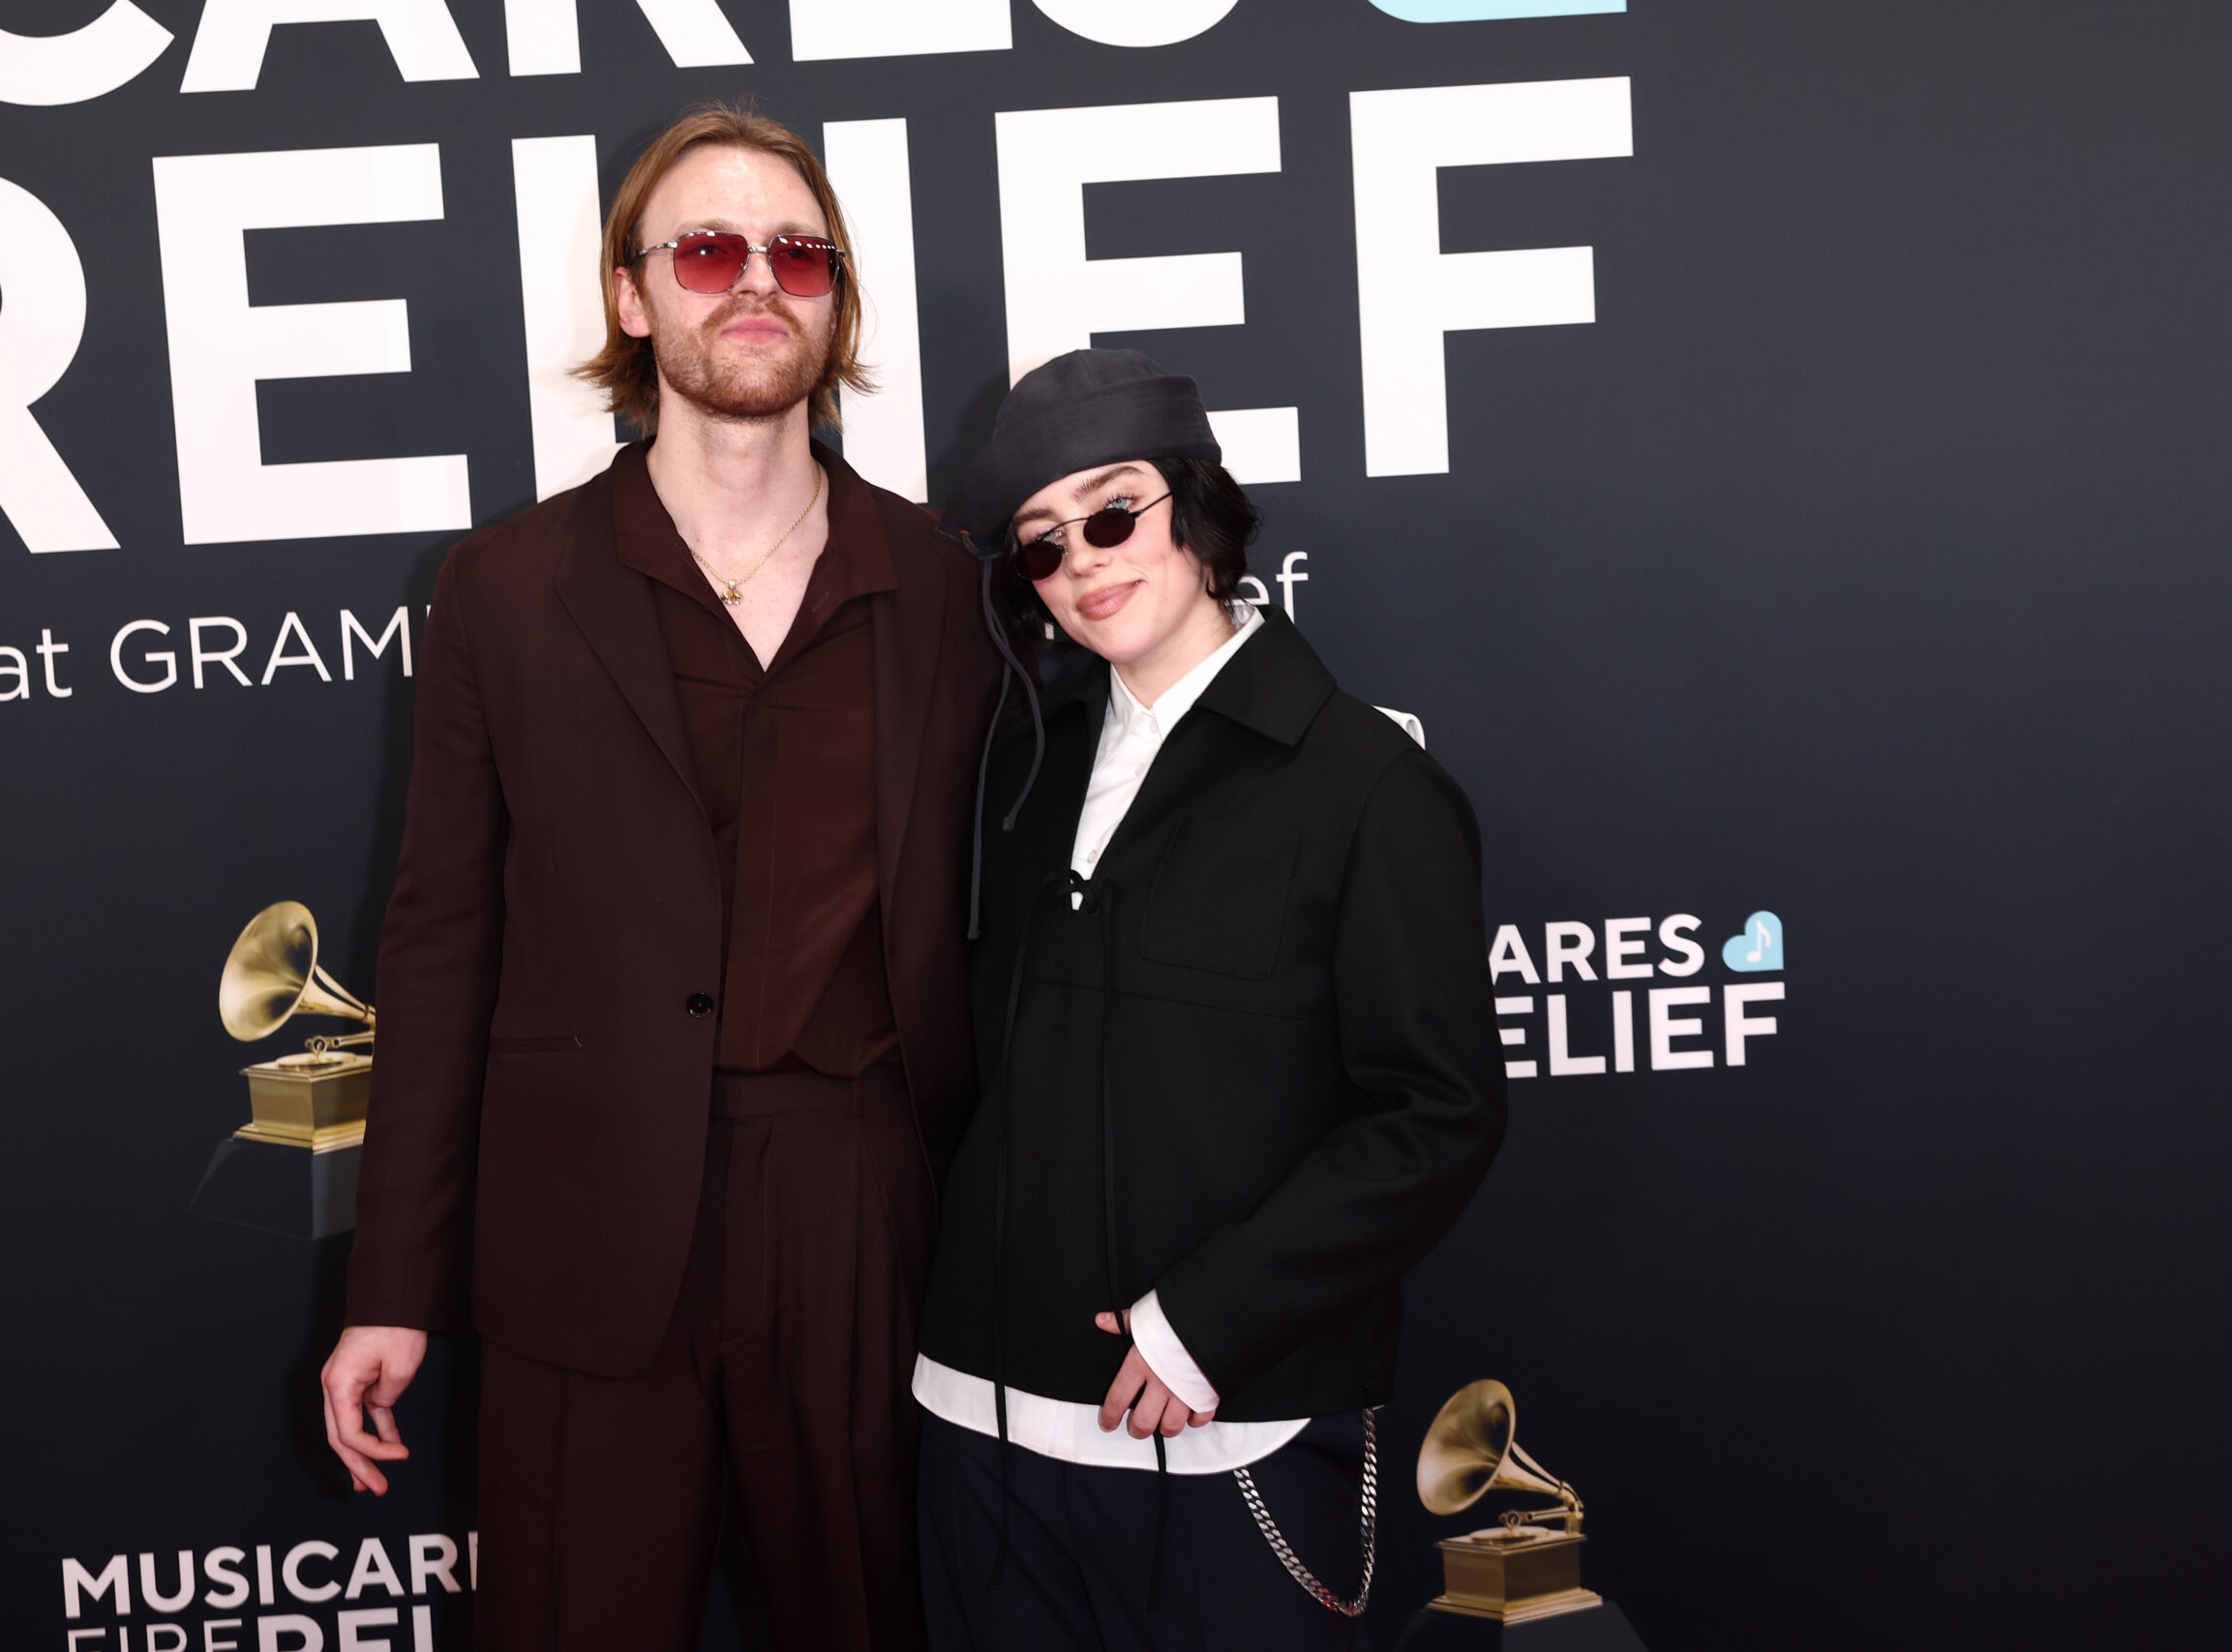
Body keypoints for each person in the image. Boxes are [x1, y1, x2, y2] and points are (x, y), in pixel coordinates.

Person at [317, 104, 1001, 1652]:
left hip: (863, 1217)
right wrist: (393, 1284)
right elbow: (438, 951)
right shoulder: (506, 588)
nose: (756, 282)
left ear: (835, 302)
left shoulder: (947, 589)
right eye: (706, 247)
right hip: (582, 1221)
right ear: (633, 296)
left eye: (799, 254)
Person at [912, 349, 1509, 1649]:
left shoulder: (1365, 787)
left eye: (1114, 513)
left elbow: (1437, 1113)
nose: (1085, 563)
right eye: (1042, 545)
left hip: (1225, 1431)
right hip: (980, 1433)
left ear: (1196, 509)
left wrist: (1209, 1323)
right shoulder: (1019, 772)